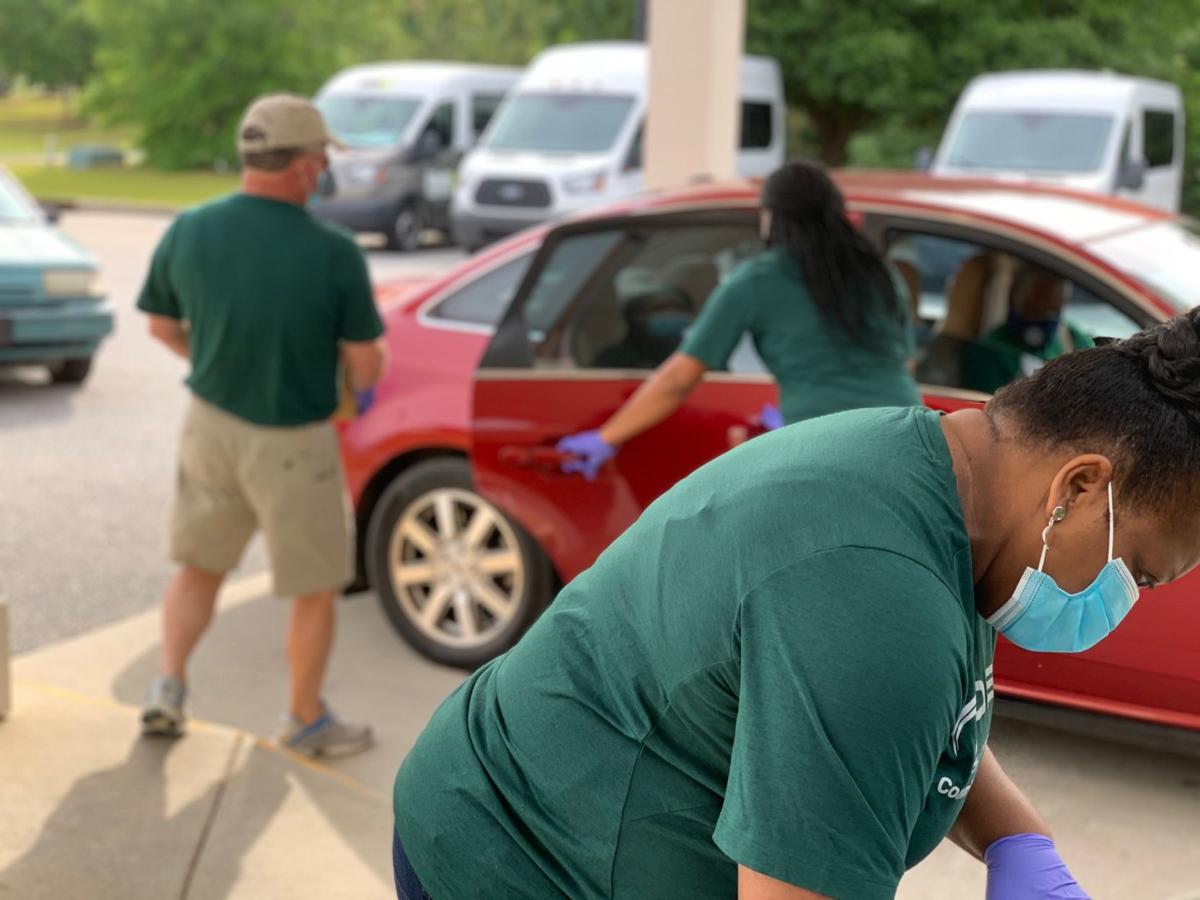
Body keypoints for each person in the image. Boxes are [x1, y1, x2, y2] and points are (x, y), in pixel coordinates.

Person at [391, 308, 1200, 899]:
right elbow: (878, 670)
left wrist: (1015, 836)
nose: (1127, 596)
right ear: (1081, 486)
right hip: (516, 862)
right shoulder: (877, 597)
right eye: (1144, 568)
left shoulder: (948, 475)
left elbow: (905, 714)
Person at [138, 94, 387, 758]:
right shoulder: (332, 253)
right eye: (323, 157)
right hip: (293, 444)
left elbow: (161, 326)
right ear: (306, 165)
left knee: (198, 568)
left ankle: (168, 686)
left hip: (208, 428)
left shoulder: (190, 228)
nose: (325, 168)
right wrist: (364, 381)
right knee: (313, 587)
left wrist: (218, 361)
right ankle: (305, 718)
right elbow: (364, 366)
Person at [557, 160, 920, 479]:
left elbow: (677, 379)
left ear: (771, 216)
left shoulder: (758, 280)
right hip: (906, 436)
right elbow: (904, 360)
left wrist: (607, 437)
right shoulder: (880, 273)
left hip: (822, 443)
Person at [963, 264, 1094, 394]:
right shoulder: (989, 351)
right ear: (1014, 295)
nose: (1042, 313)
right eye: (1035, 307)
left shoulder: (1075, 341)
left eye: (1050, 311)